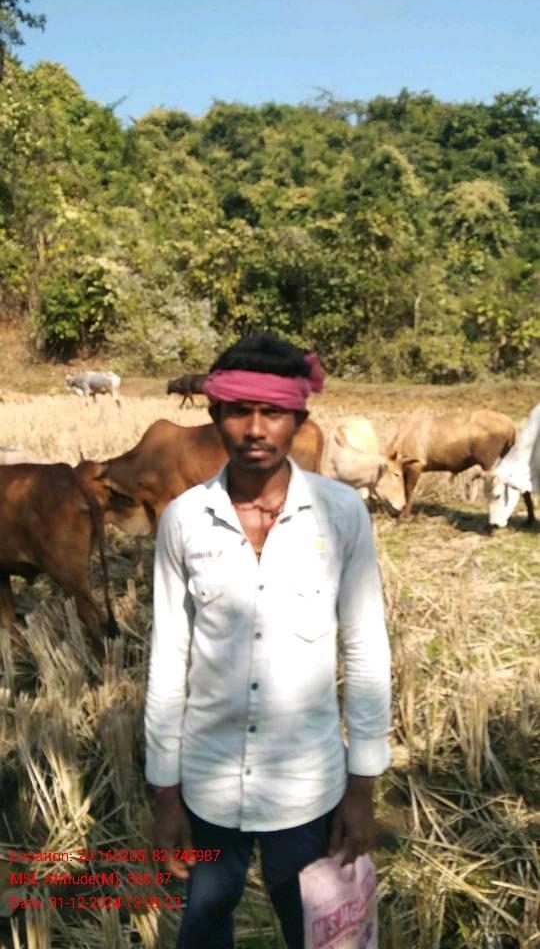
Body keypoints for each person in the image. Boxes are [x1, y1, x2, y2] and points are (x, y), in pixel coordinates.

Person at [144, 332, 391, 949]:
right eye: (238, 411)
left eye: (274, 412)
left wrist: (362, 789)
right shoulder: (183, 519)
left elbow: (365, 652)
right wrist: (165, 793)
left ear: (299, 421)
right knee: (204, 924)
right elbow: (168, 659)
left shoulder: (342, 514)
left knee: (317, 934)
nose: (255, 429)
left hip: (308, 788)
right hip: (206, 786)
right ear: (214, 415)